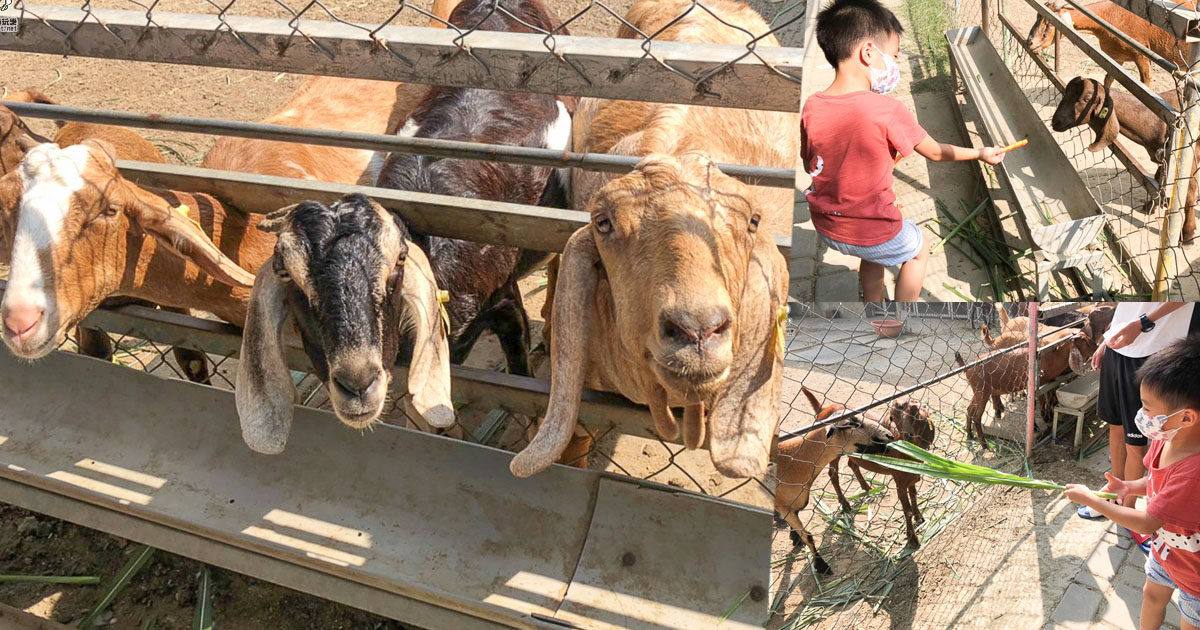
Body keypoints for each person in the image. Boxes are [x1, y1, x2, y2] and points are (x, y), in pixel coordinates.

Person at [800, 0, 1006, 302]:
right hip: (868, 228)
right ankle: (900, 317)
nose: (892, 66)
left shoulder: (812, 106)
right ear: (868, 53)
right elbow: (935, 152)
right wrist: (980, 153)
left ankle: (873, 307)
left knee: (874, 253)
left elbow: (812, 163)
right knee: (918, 248)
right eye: (893, 57)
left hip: (827, 225)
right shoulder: (887, 110)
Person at [1065, 335, 1200, 630]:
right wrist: (1130, 487)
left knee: (1190, 621)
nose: (1142, 415)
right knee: (1151, 595)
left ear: (1186, 418)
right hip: (1168, 551)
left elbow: (1146, 522)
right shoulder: (1166, 438)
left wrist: (1093, 501)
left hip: (1196, 576)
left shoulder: (1193, 473)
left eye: (1148, 408)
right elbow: (1155, 482)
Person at [1081, 303, 1200, 554]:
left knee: (1136, 441)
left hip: (1156, 353)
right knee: (1115, 425)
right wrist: (1108, 340)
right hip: (1120, 346)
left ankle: (1129, 512)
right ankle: (1113, 497)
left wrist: (1144, 322)